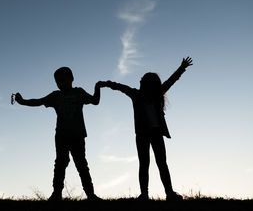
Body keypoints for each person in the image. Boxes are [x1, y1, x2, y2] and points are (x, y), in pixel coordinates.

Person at [100, 57, 193, 201]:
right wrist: (106, 83)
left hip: (156, 133)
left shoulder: (157, 94)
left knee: (161, 163)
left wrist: (181, 68)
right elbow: (120, 87)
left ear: (149, 84)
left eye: (143, 80)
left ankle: (169, 193)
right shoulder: (136, 94)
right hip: (142, 135)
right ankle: (144, 194)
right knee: (144, 164)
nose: (140, 82)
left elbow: (171, 81)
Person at [14, 67, 104, 201]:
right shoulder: (55, 96)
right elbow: (38, 102)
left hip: (77, 136)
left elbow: (95, 101)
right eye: (58, 81)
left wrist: (97, 87)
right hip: (62, 136)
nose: (60, 83)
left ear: (72, 79)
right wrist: (22, 101)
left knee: (81, 164)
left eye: (63, 79)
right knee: (61, 163)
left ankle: (90, 195)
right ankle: (56, 194)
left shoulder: (79, 93)